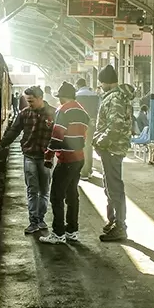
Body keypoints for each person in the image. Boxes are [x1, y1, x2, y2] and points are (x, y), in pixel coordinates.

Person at [0, 86, 56, 234]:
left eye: (31, 101)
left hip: (46, 158)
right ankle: (34, 221)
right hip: (30, 156)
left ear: (40, 98)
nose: (29, 104)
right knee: (32, 190)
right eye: (27, 101)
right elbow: (13, 132)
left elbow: (60, 135)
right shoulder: (25, 114)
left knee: (44, 191)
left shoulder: (53, 113)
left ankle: (40, 219)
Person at [39, 82, 90, 244]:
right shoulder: (82, 111)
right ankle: (72, 231)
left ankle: (58, 233)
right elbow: (83, 133)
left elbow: (57, 135)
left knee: (56, 196)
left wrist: (48, 157)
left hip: (66, 159)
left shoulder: (63, 110)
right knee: (72, 195)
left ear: (62, 97)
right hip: (79, 158)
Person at [92, 65, 134, 242]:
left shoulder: (114, 98)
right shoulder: (115, 96)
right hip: (112, 149)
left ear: (107, 82)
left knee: (114, 188)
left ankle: (120, 226)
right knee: (109, 186)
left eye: (101, 83)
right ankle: (113, 221)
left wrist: (100, 142)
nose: (100, 86)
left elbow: (114, 126)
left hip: (112, 149)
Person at [75, 77, 100, 180]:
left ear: (78, 86)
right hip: (92, 123)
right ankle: (89, 170)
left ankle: (84, 171)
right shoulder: (95, 95)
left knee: (80, 147)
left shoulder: (76, 96)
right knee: (89, 146)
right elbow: (99, 109)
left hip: (80, 124)